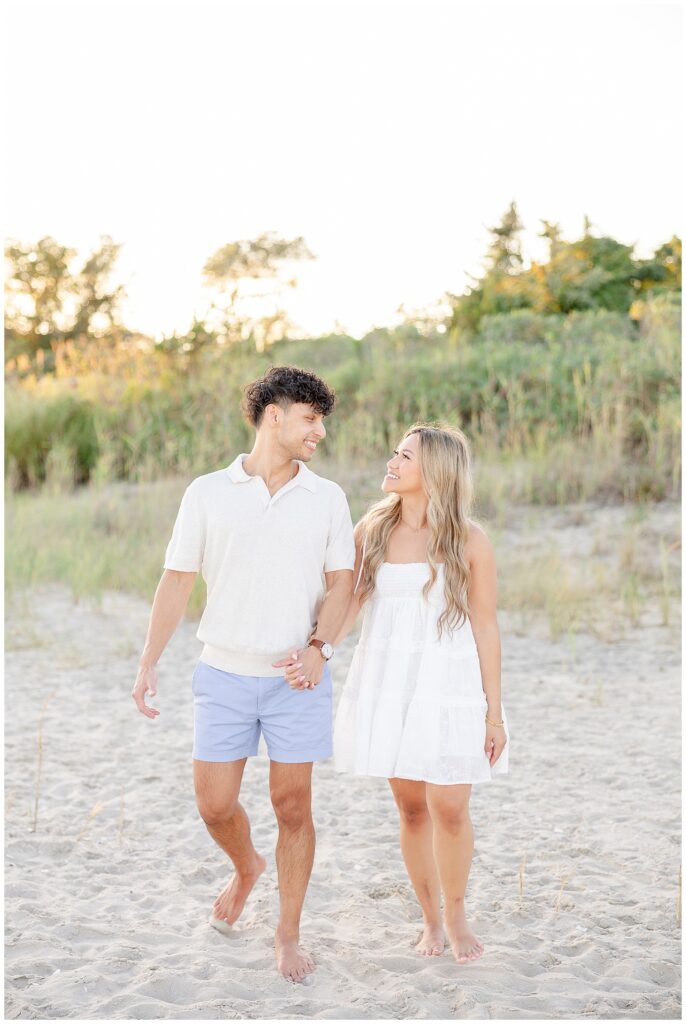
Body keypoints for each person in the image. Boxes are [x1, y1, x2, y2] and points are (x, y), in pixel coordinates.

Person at [131, 366, 354, 983]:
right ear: (273, 415)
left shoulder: (327, 498)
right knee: (214, 804)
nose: (321, 431)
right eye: (311, 418)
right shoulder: (208, 492)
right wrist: (149, 660)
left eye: (323, 420)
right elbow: (177, 579)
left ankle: (287, 933)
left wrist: (319, 649)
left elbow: (343, 585)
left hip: (297, 678)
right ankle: (246, 865)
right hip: (224, 672)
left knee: (291, 806)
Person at [285, 423, 508, 964]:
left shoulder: (469, 540)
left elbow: (485, 626)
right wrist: (320, 649)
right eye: (395, 453)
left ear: (433, 471)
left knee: (449, 805)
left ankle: (456, 912)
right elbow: (349, 601)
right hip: (390, 681)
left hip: (450, 684)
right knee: (412, 809)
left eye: (404, 456)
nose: (392, 462)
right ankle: (430, 920)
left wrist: (493, 714)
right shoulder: (374, 529)